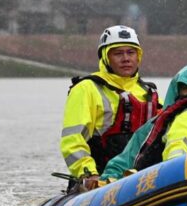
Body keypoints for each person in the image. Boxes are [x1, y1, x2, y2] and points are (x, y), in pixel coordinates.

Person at [60, 25, 160, 190]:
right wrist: (88, 173)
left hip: (139, 179)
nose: (126, 58)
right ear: (106, 57)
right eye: (118, 53)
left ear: (138, 56)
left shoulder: (148, 91)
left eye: (131, 52)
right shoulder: (86, 89)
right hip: (99, 179)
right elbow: (73, 139)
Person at [99, 64, 187, 182]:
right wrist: (106, 183)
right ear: (176, 91)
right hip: (160, 186)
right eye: (185, 88)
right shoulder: (154, 127)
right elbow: (122, 163)